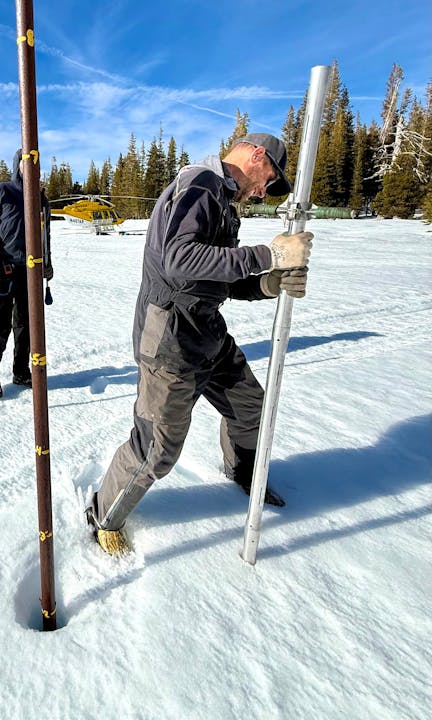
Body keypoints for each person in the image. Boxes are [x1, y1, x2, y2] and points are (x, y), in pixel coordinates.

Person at [87, 132, 313, 555]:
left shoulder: (223, 203)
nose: (265, 191)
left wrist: (268, 282)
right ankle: (103, 515)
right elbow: (179, 262)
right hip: (170, 342)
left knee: (250, 407)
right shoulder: (200, 185)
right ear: (257, 155)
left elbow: (214, 280)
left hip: (207, 334)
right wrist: (269, 255)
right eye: (269, 179)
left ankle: (245, 473)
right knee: (157, 448)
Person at [0, 149, 53, 398]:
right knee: (0, 325)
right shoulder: (4, 192)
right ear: (18, 166)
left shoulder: (41, 199)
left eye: (36, 164)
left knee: (26, 324)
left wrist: (48, 263)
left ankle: (21, 372)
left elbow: (45, 236)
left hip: (30, 270)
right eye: (26, 163)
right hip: (4, 268)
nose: (32, 168)